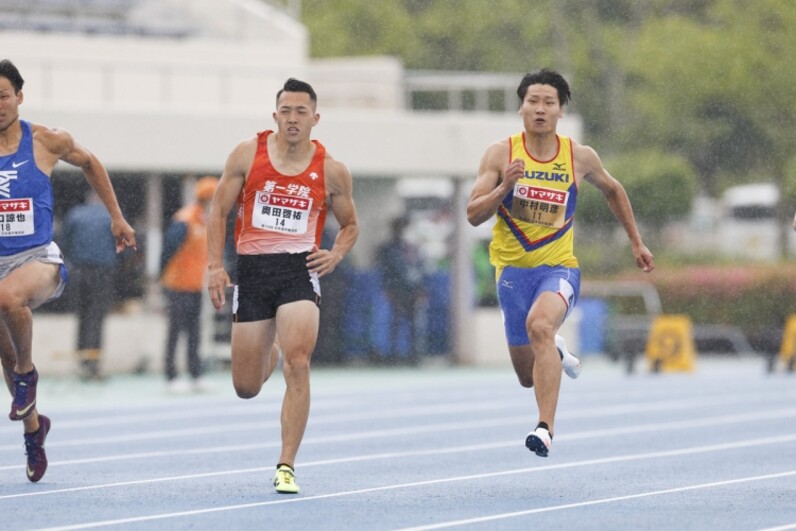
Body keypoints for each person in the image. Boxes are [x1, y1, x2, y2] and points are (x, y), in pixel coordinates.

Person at [466, 68, 654, 458]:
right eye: (532, 101)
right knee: (524, 375)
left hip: (559, 270)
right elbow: (472, 214)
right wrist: (505, 188)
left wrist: (636, 242)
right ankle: (557, 350)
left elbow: (614, 191)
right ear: (521, 107)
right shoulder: (501, 155)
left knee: (540, 326)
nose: (539, 109)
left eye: (548, 102)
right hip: (512, 276)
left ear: (560, 110)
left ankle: (545, 427)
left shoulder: (579, 157)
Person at [207, 78, 358, 494]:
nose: (293, 119)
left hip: (299, 271)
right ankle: (268, 350)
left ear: (315, 118)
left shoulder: (331, 170)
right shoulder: (246, 154)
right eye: (286, 112)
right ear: (275, 116)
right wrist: (214, 266)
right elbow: (217, 211)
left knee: (299, 362)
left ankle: (286, 464)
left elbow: (350, 225)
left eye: (301, 112)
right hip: (253, 273)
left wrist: (336, 254)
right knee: (246, 387)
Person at [0, 59, 136, 482]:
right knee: (4, 350)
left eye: (3, 96)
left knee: (7, 299)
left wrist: (117, 217)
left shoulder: (45, 140)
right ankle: (34, 430)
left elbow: (91, 163)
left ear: (19, 97)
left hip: (38, 259)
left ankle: (28, 372)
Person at [160, 176, 218, 393]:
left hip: (194, 285)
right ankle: (170, 375)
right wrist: (161, 276)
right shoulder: (184, 220)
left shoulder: (205, 221)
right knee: (175, 330)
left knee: (195, 331)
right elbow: (167, 251)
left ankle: (196, 373)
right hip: (177, 284)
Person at [61, 190, 118, 381]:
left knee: (83, 316)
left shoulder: (75, 214)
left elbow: (64, 243)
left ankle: (81, 361)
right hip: (102, 271)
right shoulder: (110, 216)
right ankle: (93, 364)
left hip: (79, 269)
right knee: (97, 317)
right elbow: (121, 244)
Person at [375, 216, 426, 364]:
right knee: (394, 323)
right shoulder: (388, 249)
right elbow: (385, 271)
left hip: (412, 291)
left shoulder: (414, 249)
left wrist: (421, 289)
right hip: (396, 291)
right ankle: (393, 355)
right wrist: (387, 288)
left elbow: (420, 271)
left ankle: (413, 356)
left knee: (413, 324)